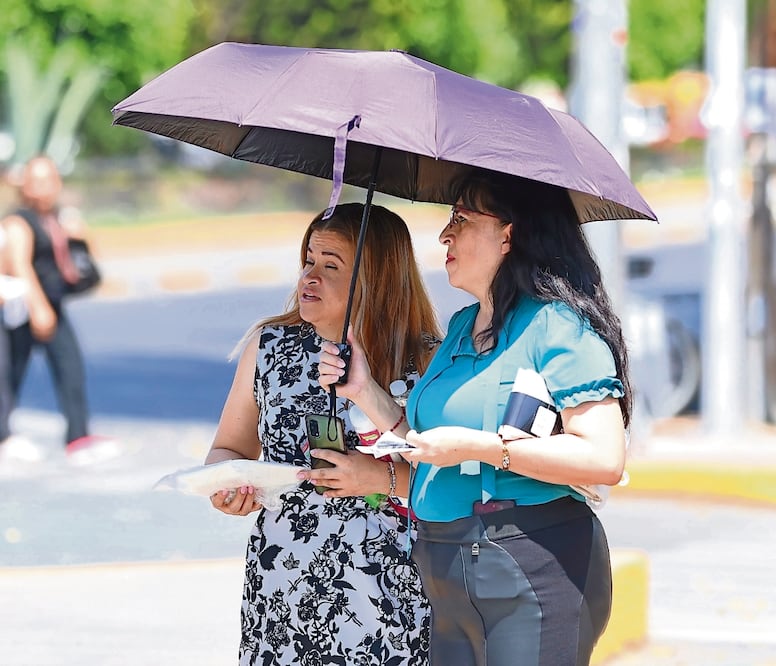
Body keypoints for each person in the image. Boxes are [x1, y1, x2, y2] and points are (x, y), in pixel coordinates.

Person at [318, 170, 630, 665]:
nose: (446, 234)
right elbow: (428, 445)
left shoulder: (556, 325)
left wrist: (479, 448)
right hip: (447, 570)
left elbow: (604, 458)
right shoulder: (464, 324)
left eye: (461, 219)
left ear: (508, 234)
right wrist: (364, 390)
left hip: (531, 565)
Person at [205, 202, 442, 665]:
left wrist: (378, 478)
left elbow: (454, 479)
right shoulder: (269, 348)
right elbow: (228, 447)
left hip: (391, 593)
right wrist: (226, 484)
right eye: (308, 261)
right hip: (284, 588)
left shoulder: (429, 360)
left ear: (375, 277)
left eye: (330, 266)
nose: (308, 277)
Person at [1, 156, 99, 454]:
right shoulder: (19, 221)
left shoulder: (58, 218)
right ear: (25, 186)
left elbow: (80, 264)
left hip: (53, 304)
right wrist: (39, 308)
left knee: (70, 367)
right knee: (9, 372)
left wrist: (78, 237)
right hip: (23, 308)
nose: (43, 187)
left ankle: (78, 436)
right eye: (36, 181)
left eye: (49, 180)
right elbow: (20, 265)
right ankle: (3, 435)